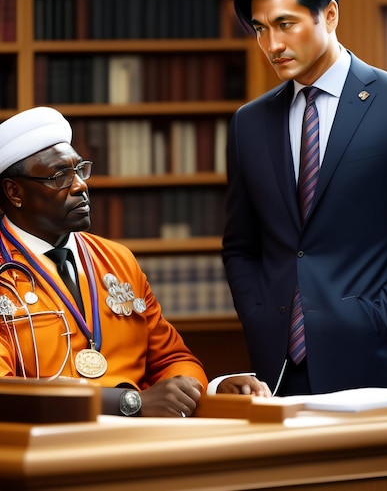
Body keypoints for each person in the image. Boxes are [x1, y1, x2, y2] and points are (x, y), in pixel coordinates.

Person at [222, 0, 387, 396]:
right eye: (260, 29)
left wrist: (381, 319)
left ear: (329, 15)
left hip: (381, 364)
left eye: (285, 24)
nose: (272, 45)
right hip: (280, 370)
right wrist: (258, 314)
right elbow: (240, 244)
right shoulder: (248, 123)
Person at [0, 106, 270, 418]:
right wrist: (130, 404)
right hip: (54, 442)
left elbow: (172, 359)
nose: (80, 186)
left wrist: (209, 390)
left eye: (80, 170)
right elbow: (7, 393)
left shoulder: (117, 259)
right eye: (60, 176)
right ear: (14, 191)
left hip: (140, 441)